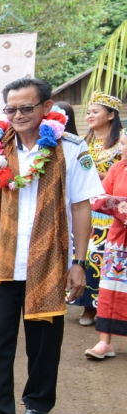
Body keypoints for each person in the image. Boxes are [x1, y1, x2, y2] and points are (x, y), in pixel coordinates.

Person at [0, 77, 103, 414]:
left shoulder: (71, 148)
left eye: (27, 107)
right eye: (11, 108)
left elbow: (81, 206)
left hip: (49, 259)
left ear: (46, 107)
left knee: (43, 339)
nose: (19, 115)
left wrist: (79, 261)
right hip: (1, 260)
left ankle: (38, 402)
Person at [73, 92, 123, 326]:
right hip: (87, 207)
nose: (90, 116)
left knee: (107, 258)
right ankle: (87, 308)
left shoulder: (122, 141)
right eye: (89, 112)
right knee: (86, 255)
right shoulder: (85, 142)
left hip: (113, 210)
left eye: (96, 111)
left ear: (111, 115)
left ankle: (107, 308)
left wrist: (97, 176)